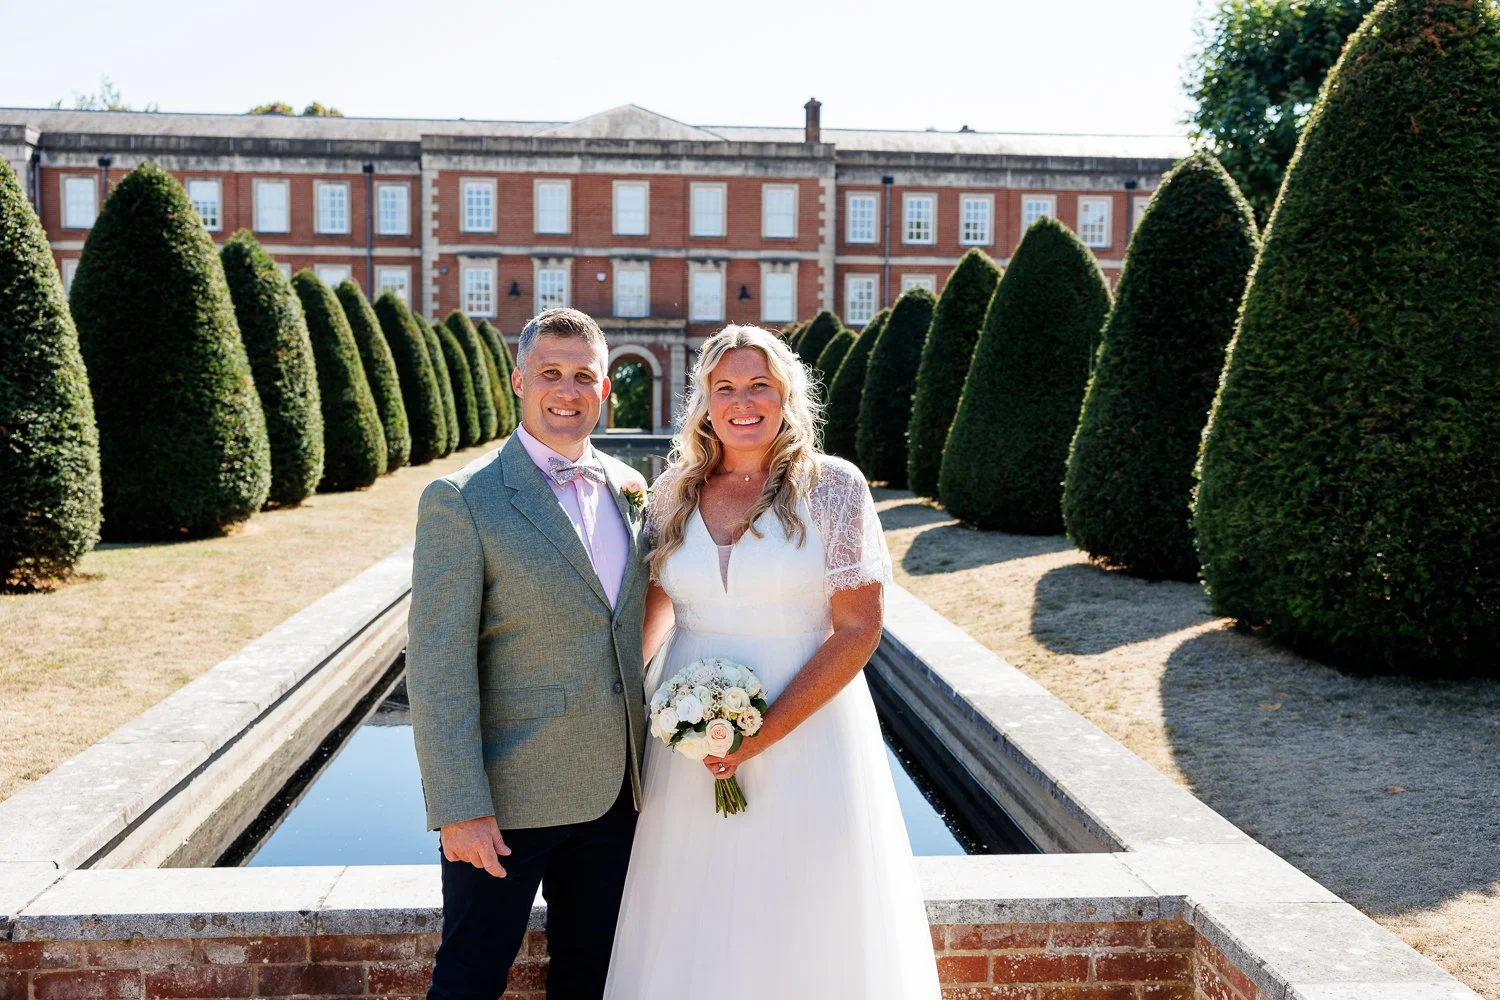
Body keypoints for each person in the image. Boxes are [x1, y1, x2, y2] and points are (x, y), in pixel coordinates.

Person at [603, 324, 941, 998]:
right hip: (692, 745)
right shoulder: (673, 491)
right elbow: (655, 612)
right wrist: (620, 707)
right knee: (690, 906)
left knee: (804, 909)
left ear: (787, 395)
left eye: (759, 385)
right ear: (704, 401)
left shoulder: (832, 488)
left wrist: (765, 732)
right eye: (725, 387)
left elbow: (857, 631)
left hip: (810, 735)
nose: (742, 401)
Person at [407, 307, 649, 1000]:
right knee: (469, 979)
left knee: (590, 978)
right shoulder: (462, 500)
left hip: (615, 797)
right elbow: (436, 666)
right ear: (519, 381)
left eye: (583, 376)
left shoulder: (630, 489)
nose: (566, 391)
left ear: (606, 390)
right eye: (550, 373)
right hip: (506, 801)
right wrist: (459, 807)